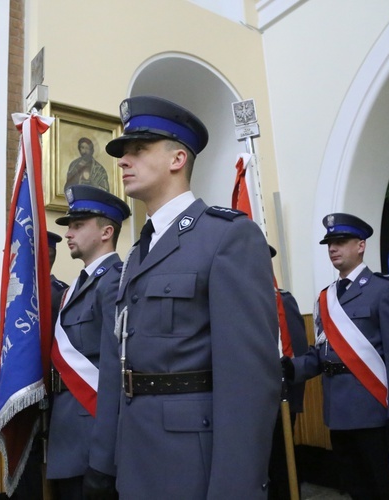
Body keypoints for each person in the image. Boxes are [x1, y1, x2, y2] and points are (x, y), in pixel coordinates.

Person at [105, 95, 281, 499]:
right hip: (138, 455)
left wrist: (235, 487)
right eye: (123, 152)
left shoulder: (226, 236)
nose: (123, 161)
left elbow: (249, 381)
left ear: (177, 159)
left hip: (192, 462)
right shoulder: (138, 252)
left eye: (138, 149)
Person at [287, 213, 389, 500]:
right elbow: (322, 355)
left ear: (360, 245)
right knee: (357, 491)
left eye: (341, 241)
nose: (333, 248)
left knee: (387, 491)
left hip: (375, 413)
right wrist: (290, 368)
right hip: (339, 414)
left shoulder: (384, 290)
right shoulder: (326, 298)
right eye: (329, 243)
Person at [46, 184, 131, 499]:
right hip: (68, 427)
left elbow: (115, 368)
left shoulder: (115, 283)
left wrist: (104, 454)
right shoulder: (74, 287)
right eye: (70, 226)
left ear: (107, 231)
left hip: (93, 429)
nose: (69, 233)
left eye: (78, 225)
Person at [13, 232, 69, 500]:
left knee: (44, 461)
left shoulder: (60, 295)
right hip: (20, 393)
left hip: (49, 393)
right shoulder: (17, 296)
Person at [268, 249, 309, 500]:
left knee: (280, 469)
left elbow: (298, 351)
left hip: (278, 401)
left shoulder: (281, 301)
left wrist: (292, 402)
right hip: (247, 406)